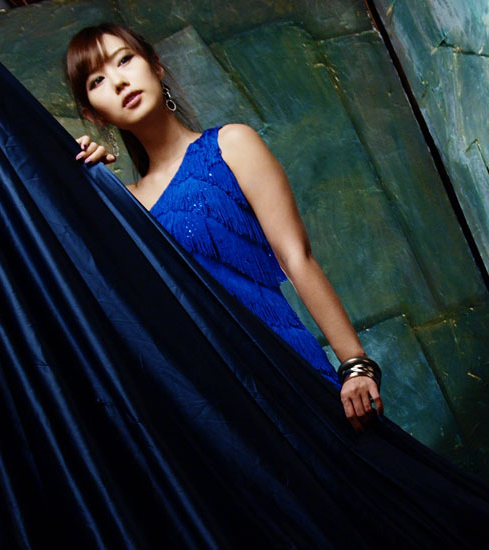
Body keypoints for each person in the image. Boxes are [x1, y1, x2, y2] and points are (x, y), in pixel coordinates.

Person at [64, 23, 383, 433]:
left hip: (287, 365)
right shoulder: (122, 208)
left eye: (125, 60)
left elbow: (296, 257)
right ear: (92, 114)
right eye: (98, 80)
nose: (119, 81)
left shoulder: (231, 145)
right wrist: (88, 184)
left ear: (156, 66)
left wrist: (355, 365)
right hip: (213, 408)